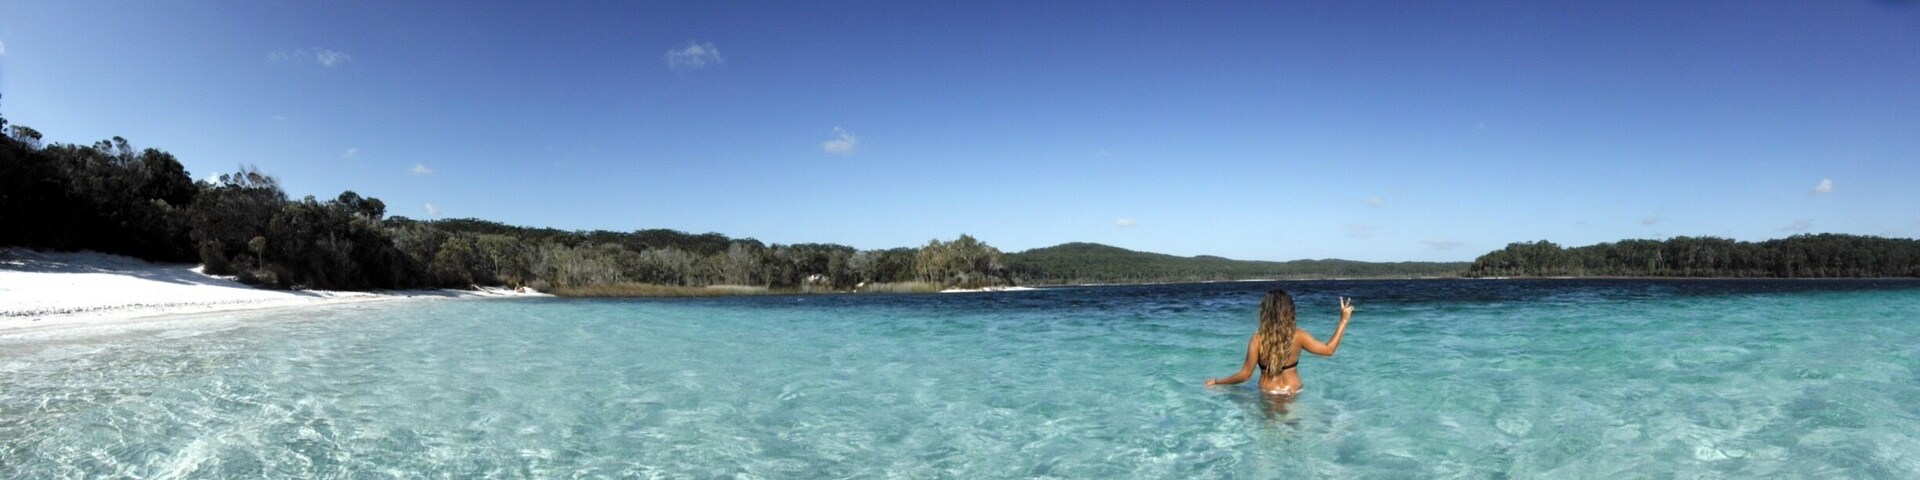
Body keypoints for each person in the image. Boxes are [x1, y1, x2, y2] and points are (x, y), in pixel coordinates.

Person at [1203, 290, 1353, 397]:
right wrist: (1343, 320)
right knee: (1292, 432)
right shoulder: (1298, 335)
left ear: (1265, 312)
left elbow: (1245, 375)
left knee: (1270, 435)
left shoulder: (1257, 339)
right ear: (1289, 310)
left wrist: (1218, 381)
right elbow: (1329, 350)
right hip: (1293, 389)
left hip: (1270, 392)